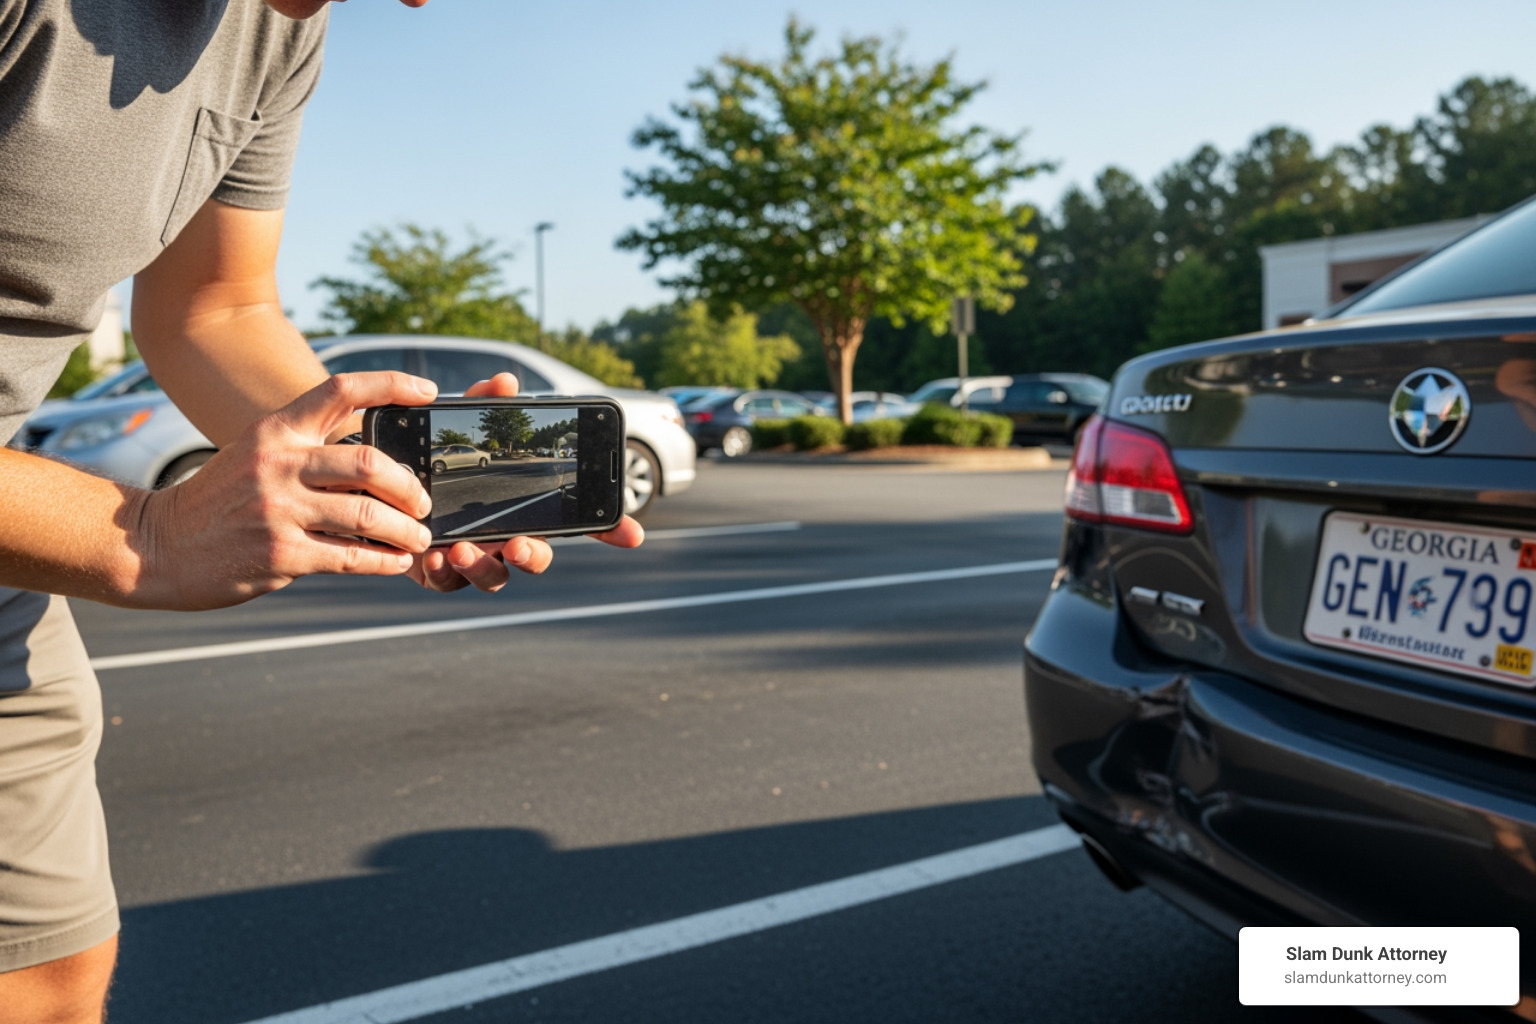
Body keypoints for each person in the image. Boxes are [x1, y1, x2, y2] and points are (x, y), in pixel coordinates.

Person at [0, 2, 642, 1020]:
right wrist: (149, 537)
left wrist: (371, 465)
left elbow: (214, 304)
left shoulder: (281, 27)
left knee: (47, 975)